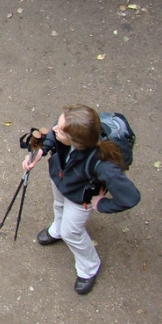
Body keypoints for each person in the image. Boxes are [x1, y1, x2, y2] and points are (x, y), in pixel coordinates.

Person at [22, 104, 140, 295]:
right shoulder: (70, 128)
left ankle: (89, 267)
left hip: (81, 197)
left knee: (72, 232)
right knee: (59, 205)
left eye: (60, 131)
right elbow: (55, 130)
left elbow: (131, 197)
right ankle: (58, 229)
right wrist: (43, 150)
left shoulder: (103, 164)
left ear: (76, 142)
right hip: (62, 180)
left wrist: (101, 204)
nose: (54, 129)